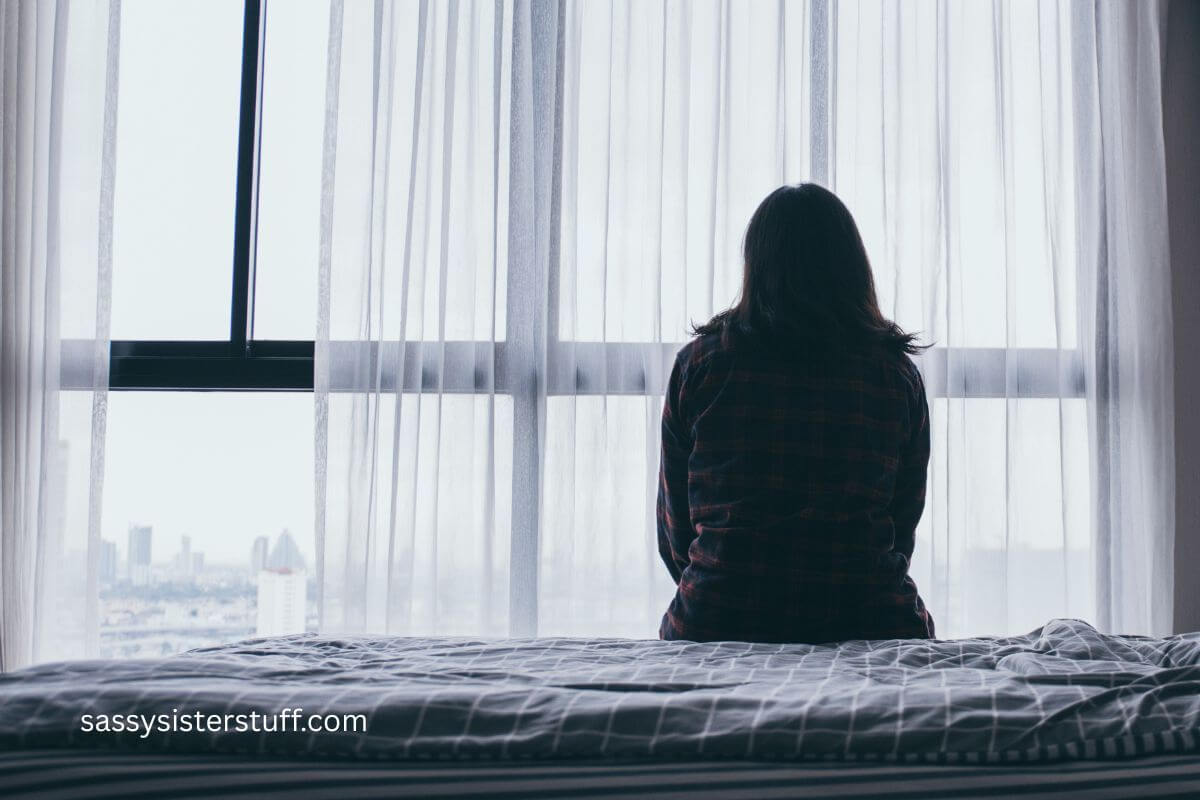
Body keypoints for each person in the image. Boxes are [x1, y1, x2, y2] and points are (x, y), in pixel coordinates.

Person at [656, 183, 935, 643]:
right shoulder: (895, 374)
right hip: (871, 617)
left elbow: (675, 531)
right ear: (853, 267)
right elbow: (902, 522)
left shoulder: (699, 365)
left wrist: (728, 581)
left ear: (756, 265)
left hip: (715, 616)